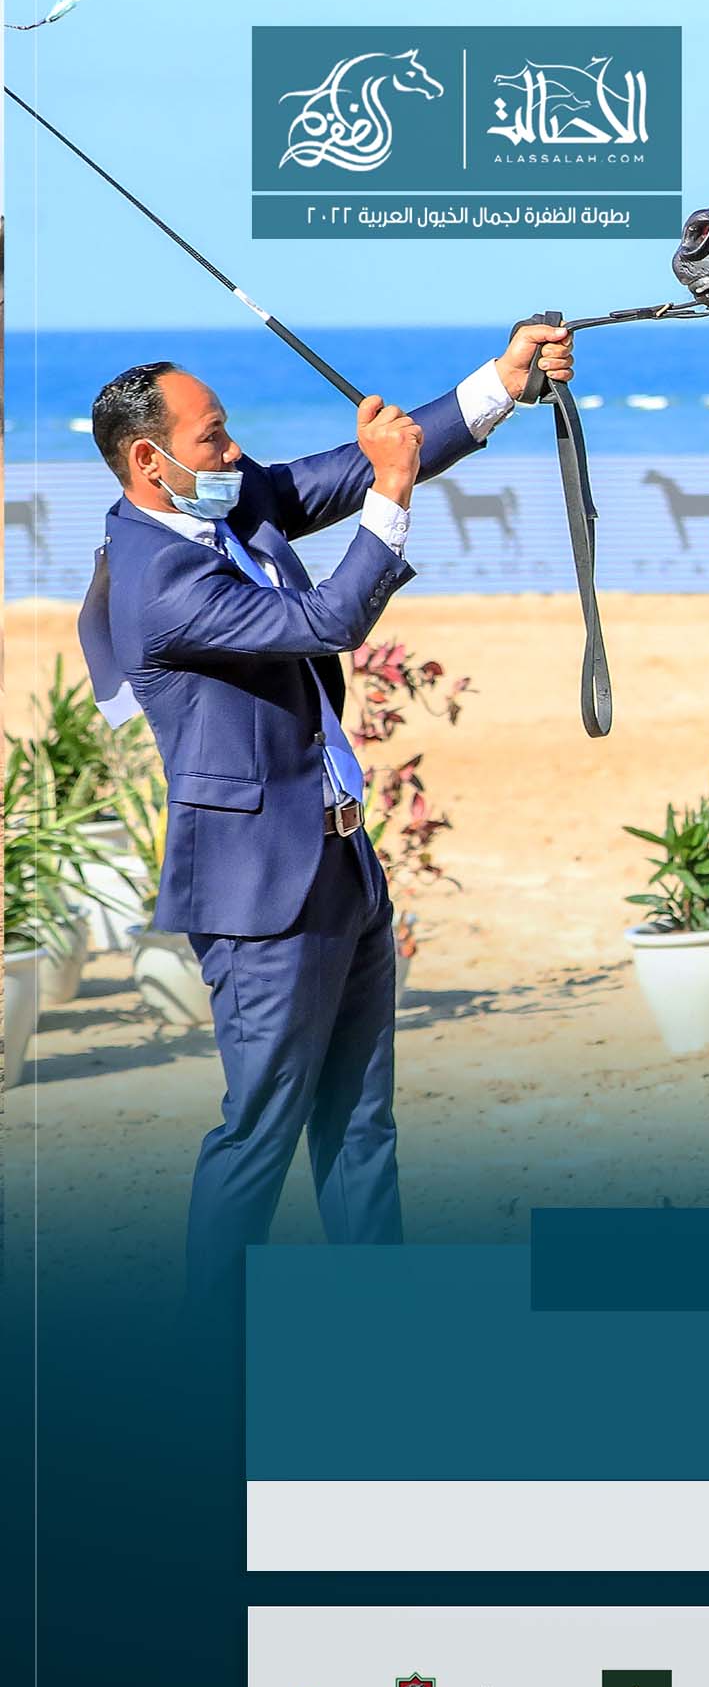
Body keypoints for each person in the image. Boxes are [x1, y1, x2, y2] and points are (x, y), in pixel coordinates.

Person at [77, 323, 574, 1321]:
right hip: (260, 894)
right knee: (259, 1133)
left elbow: (350, 467)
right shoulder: (158, 581)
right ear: (150, 461)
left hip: (342, 864)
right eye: (213, 437)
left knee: (359, 1125)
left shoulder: (223, 502)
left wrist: (502, 383)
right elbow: (327, 621)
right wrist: (393, 494)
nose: (235, 452)